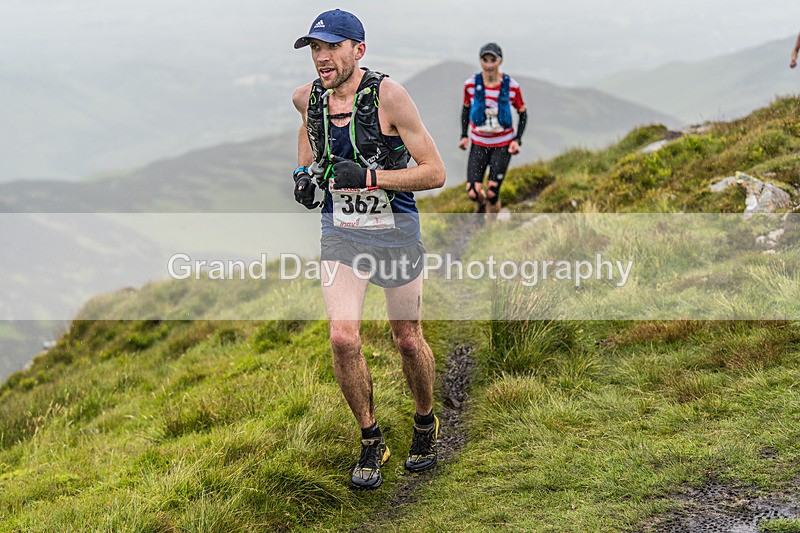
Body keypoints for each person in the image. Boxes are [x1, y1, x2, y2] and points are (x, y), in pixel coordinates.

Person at [291, 9, 446, 490]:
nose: (321, 57)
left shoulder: (390, 97)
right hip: (342, 232)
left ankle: (425, 422)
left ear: (358, 50)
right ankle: (370, 438)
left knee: (406, 338)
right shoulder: (307, 99)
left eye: (331, 47)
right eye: (315, 48)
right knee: (342, 337)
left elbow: (435, 172)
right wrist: (303, 175)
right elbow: (308, 132)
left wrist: (371, 177)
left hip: (395, 229)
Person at [459, 42, 527, 218]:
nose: (489, 65)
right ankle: (482, 208)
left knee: (492, 191)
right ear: (480, 61)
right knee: (473, 192)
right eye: (485, 60)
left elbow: (522, 113)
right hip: (479, 144)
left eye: (493, 60)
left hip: (502, 145)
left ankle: (490, 226)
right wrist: (464, 135)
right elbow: (466, 109)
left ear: (500, 61)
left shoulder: (512, 86)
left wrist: (517, 140)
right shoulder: (470, 85)